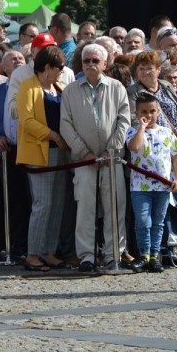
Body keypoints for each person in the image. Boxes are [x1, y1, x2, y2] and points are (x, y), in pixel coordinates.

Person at [60, 43, 132, 272]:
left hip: (111, 159)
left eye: (95, 60)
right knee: (85, 209)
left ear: (105, 63)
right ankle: (86, 256)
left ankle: (113, 254)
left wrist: (109, 150)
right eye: (86, 60)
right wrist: (85, 153)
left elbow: (124, 121)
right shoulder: (70, 91)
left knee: (114, 207)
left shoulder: (117, 87)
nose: (90, 65)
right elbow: (65, 125)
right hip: (84, 161)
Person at [17, 45, 70, 271]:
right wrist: (54, 135)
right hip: (40, 153)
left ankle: (48, 250)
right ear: (47, 68)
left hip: (58, 152)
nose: (61, 72)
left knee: (56, 204)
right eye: (59, 68)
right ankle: (33, 253)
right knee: (43, 204)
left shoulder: (58, 88)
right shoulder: (27, 88)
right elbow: (27, 121)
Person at [126, 93, 177, 273]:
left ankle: (154, 254)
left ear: (158, 111)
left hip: (162, 186)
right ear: (137, 113)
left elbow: (176, 156)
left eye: (152, 111)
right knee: (143, 220)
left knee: (158, 221)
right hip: (140, 186)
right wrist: (142, 128)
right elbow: (134, 147)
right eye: (144, 112)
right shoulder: (132, 131)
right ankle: (143, 253)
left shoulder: (166, 132)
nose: (149, 115)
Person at [0, 50, 31, 264]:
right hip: (8, 153)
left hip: (30, 151)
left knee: (32, 200)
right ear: (4, 67)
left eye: (21, 58)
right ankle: (14, 246)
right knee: (13, 202)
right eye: (13, 59)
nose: (18, 61)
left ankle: (31, 246)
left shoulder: (31, 88)